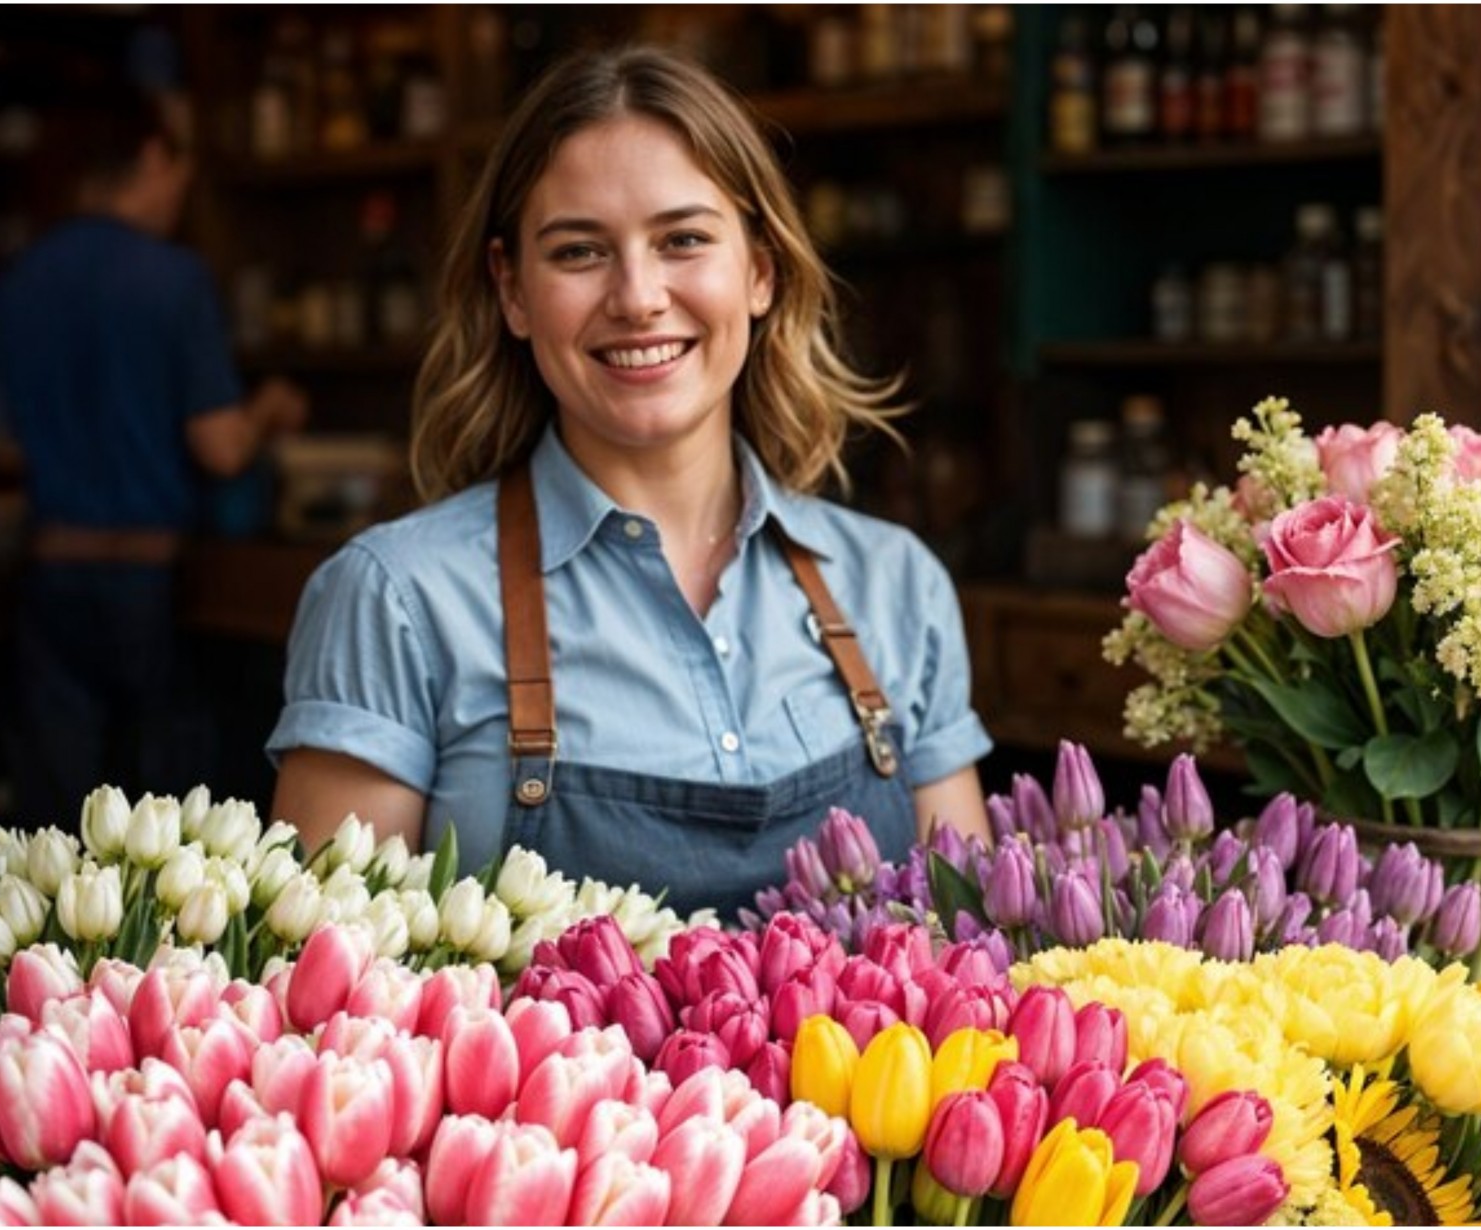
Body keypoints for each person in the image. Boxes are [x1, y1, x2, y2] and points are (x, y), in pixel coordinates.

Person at [268, 47, 993, 916]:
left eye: (683, 239)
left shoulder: (894, 585)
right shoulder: (395, 602)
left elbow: (968, 954)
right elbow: (336, 1010)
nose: (639, 296)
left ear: (759, 270)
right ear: (513, 291)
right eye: (579, 252)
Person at [0, 82, 308, 826]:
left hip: (47, 574)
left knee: (52, 827)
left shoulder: (17, 283)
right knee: (165, 821)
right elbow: (222, 449)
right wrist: (271, 407)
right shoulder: (172, 278)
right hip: (150, 583)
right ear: (155, 155)